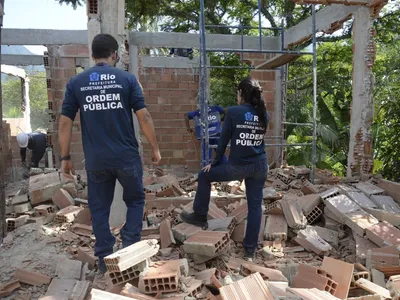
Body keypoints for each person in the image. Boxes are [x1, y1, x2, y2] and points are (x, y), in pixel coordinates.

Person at [58, 33, 161, 273]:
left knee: (99, 208)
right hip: (126, 158)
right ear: (114, 54)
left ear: (92, 55)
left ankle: (105, 259)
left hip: (97, 160)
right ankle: (131, 250)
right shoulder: (127, 79)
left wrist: (65, 158)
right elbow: (144, 116)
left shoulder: (76, 83)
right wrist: (155, 147)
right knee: (135, 200)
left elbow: (65, 123)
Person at [181, 77, 269, 260]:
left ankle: (200, 215)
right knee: (255, 206)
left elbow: (223, 141)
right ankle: (250, 250)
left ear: (242, 94)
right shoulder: (263, 114)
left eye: (238, 93)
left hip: (239, 167)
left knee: (204, 176)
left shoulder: (234, 112)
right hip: (260, 166)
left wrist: (213, 163)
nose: (237, 97)